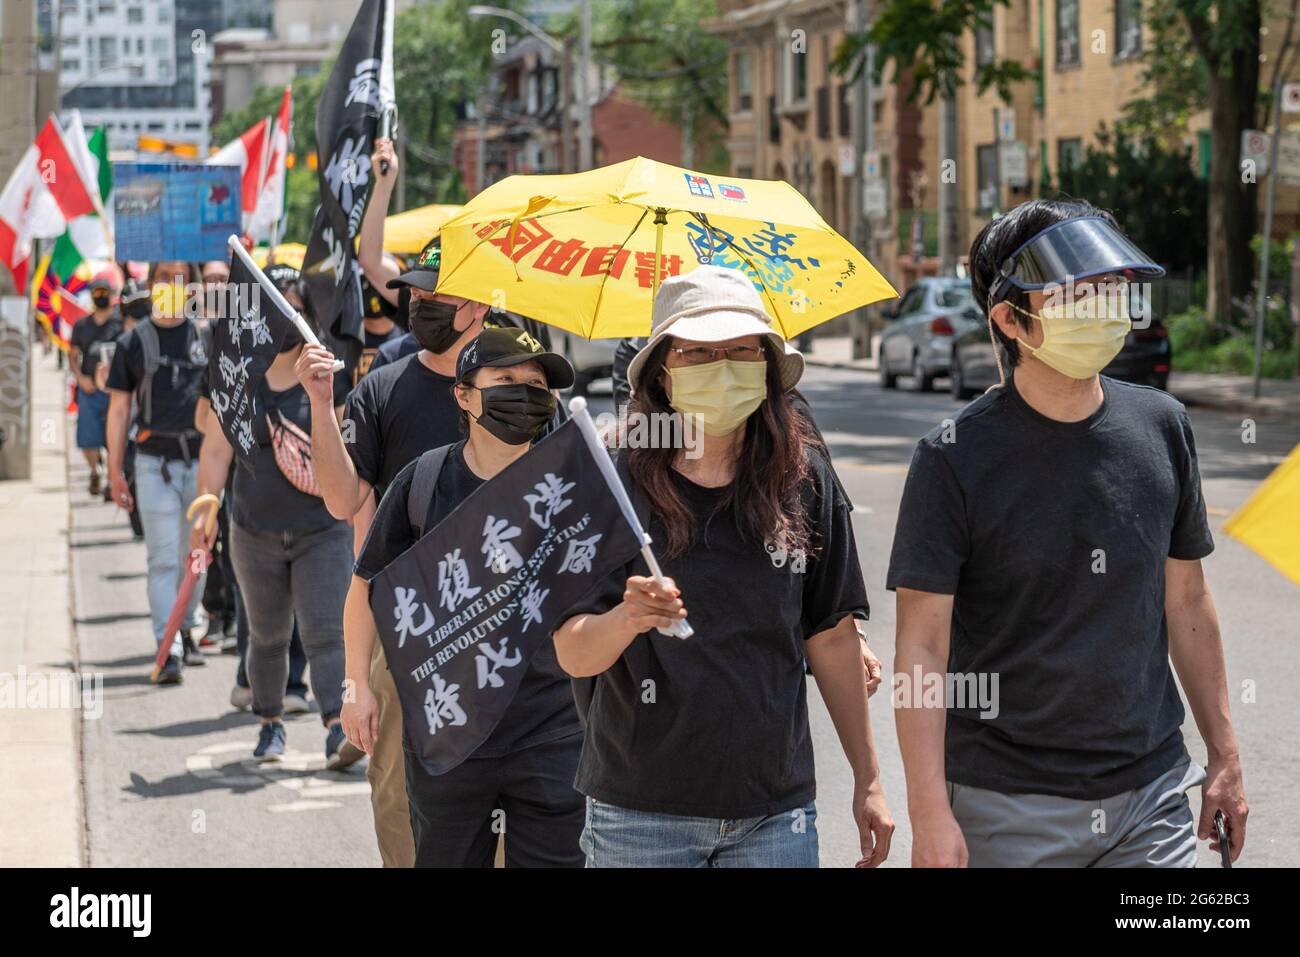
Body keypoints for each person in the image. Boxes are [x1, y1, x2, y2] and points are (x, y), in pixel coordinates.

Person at [888, 199, 1249, 867]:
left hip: (1152, 794)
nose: (1105, 303)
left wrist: (1224, 757)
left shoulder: (1162, 426)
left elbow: (1188, 602)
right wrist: (929, 811)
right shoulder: (951, 458)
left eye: (1111, 286)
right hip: (1005, 805)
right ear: (1009, 318)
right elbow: (922, 646)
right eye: (1079, 291)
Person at [552, 266, 894, 868]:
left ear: (768, 365)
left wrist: (868, 779)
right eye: (700, 352)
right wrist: (628, 618)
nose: (724, 365)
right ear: (662, 368)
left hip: (775, 814)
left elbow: (832, 636)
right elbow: (574, 651)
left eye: (742, 350)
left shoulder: (804, 476)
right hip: (640, 814)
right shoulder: (609, 480)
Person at [346, 327, 584, 866]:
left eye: (536, 383)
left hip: (552, 734)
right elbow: (366, 586)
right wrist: (356, 684)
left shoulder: (573, 484)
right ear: (464, 394)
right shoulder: (423, 481)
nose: (524, 393)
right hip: (446, 737)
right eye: (505, 380)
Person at [300, 235, 496, 867]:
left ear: (478, 307)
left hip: (501, 619)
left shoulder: (519, 385)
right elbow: (340, 499)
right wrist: (321, 408)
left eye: (438, 293)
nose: (421, 303)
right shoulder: (381, 391)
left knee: (509, 790)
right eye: (415, 291)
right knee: (398, 791)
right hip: (404, 625)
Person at [192, 264, 362, 768]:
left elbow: (352, 451)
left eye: (295, 307)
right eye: (276, 309)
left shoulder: (328, 376)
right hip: (253, 531)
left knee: (326, 630)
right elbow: (217, 452)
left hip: (322, 531)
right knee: (266, 635)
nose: (288, 319)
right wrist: (204, 516)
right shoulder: (238, 378)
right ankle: (270, 725)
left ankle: (337, 727)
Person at [106, 261, 209, 683]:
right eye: (163, 277)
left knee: (197, 557)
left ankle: (184, 624)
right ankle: (168, 648)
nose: (172, 284)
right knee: (164, 559)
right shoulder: (133, 342)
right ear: (150, 286)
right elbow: (118, 410)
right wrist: (115, 470)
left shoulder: (208, 337)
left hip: (202, 465)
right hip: (153, 466)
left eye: (180, 277)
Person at [70, 275, 123, 498]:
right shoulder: (82, 326)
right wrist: (81, 378)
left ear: (112, 296)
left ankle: (112, 482)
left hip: (115, 392)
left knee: (115, 440)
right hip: (90, 390)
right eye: (97, 293)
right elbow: (73, 355)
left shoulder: (121, 324)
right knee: (87, 439)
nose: (101, 297)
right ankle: (95, 470)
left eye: (105, 293)